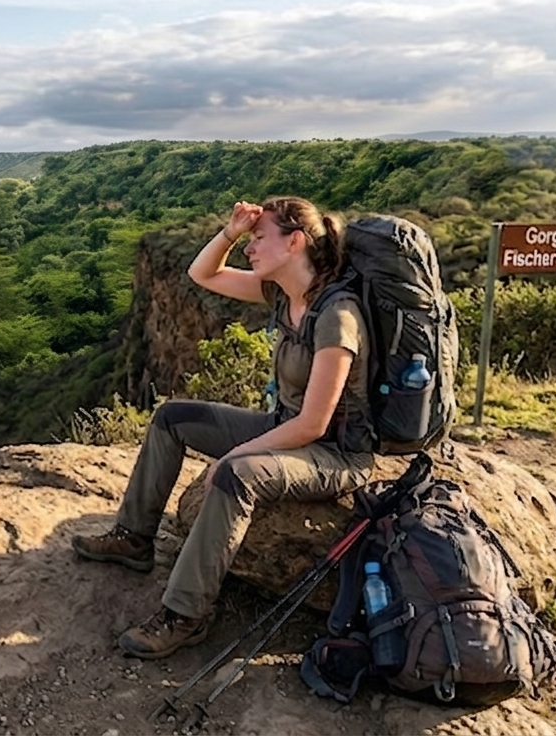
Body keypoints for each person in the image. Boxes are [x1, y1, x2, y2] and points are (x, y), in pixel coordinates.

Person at [71, 196, 376, 660]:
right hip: (284, 428)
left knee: (239, 475)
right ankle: (134, 538)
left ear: (294, 242)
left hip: (335, 455)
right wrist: (231, 231)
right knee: (172, 417)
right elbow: (203, 275)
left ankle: (186, 614)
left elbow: (314, 424)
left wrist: (236, 455)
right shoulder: (282, 294)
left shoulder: (337, 317)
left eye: (258, 238)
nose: (250, 249)